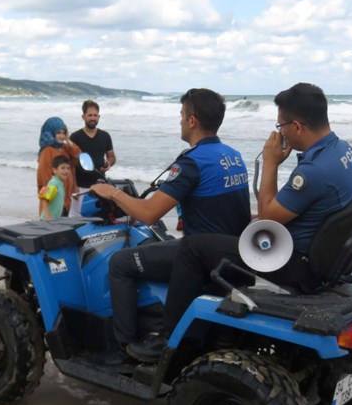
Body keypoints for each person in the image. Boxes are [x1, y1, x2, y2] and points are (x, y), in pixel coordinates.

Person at [156, 83, 352, 362]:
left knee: (193, 246)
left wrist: (270, 163)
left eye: (281, 127)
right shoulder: (344, 151)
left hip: (296, 263)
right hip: (326, 256)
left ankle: (170, 341)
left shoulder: (314, 171)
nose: (280, 133)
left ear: (298, 127)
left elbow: (267, 213)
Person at [88, 88, 250, 361]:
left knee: (120, 263)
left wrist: (112, 193)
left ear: (192, 121)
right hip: (236, 255)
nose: (179, 121)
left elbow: (149, 214)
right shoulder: (234, 156)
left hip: (200, 257)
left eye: (181, 115)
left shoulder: (192, 163)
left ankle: (127, 346)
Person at [37, 117, 81, 216]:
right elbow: (45, 180)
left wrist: (69, 141)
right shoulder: (47, 151)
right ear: (51, 133)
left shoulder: (64, 148)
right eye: (58, 133)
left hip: (65, 201)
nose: (62, 136)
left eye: (64, 133)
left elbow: (78, 157)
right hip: (54, 203)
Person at [70, 100, 116, 189]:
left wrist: (109, 163)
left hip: (100, 185)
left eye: (95, 115)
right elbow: (70, 163)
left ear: (99, 117)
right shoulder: (75, 137)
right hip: (80, 186)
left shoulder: (105, 136)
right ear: (83, 116)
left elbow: (111, 157)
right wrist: (73, 185)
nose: (93, 118)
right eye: (90, 115)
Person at [38, 155, 71, 220]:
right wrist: (48, 217)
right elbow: (44, 199)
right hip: (47, 221)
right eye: (63, 168)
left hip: (54, 220)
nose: (66, 171)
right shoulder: (54, 183)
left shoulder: (60, 183)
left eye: (68, 168)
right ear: (54, 170)